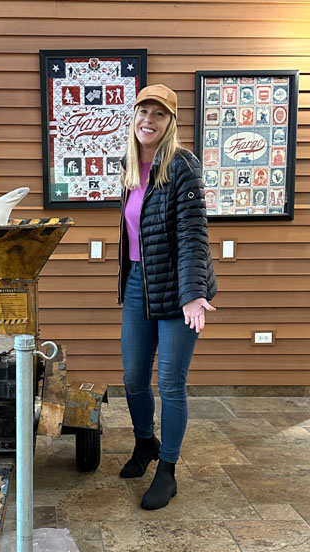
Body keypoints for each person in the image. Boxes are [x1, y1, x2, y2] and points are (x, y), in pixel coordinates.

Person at [118, 84, 217, 510]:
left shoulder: (182, 165)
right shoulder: (129, 166)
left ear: (170, 121)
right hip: (140, 282)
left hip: (179, 288)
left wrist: (193, 295)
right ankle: (146, 443)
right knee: (134, 377)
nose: (149, 120)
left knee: (171, 383)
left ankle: (168, 470)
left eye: (159, 114)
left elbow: (193, 234)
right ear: (134, 115)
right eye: (143, 111)